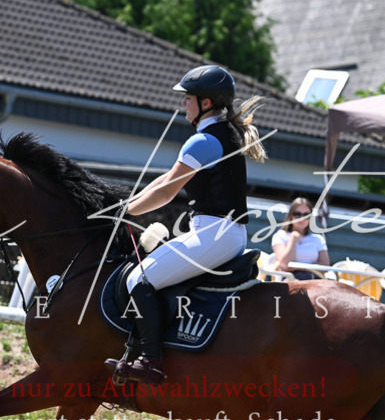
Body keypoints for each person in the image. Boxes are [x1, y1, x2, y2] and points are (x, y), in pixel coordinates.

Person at [106, 65, 267, 385]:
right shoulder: (216, 134)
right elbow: (166, 179)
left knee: (139, 278)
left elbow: (167, 192)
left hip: (215, 235)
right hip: (220, 233)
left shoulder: (204, 140)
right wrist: (126, 204)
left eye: (188, 98)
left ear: (206, 103)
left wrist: (127, 212)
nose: (183, 104)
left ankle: (151, 363)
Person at [271, 197, 330, 279]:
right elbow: (285, 265)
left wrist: (298, 266)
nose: (302, 218)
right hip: (290, 281)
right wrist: (293, 239)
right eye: (297, 214)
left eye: (306, 215)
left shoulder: (318, 239)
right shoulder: (280, 236)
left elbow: (325, 266)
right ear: (291, 215)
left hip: (314, 279)